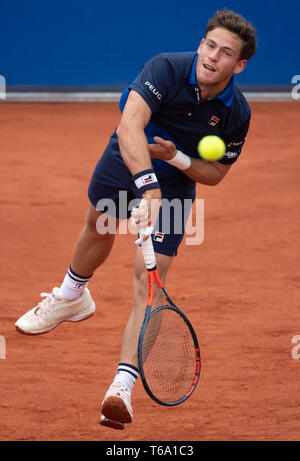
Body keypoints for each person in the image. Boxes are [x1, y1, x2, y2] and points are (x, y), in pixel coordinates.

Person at [15, 9, 257, 429]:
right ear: (201, 43)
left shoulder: (236, 113)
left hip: (176, 182)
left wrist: (178, 159)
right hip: (127, 161)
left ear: (239, 65)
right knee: (98, 224)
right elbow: (130, 125)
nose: (213, 56)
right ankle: (73, 296)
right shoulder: (164, 68)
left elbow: (216, 174)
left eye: (226, 53)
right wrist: (148, 188)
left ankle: (121, 388)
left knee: (149, 283)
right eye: (210, 45)